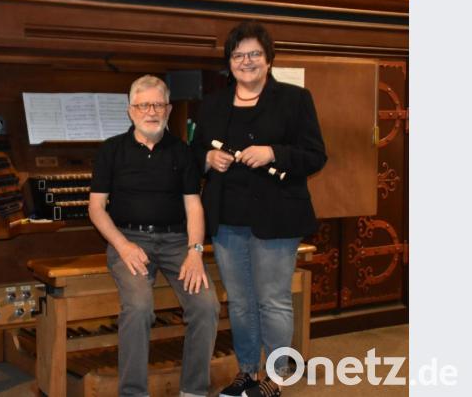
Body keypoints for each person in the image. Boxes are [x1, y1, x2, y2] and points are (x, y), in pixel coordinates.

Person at [190, 20, 327, 397]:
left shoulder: (295, 99)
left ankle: (276, 377)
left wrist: (273, 153)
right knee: (240, 302)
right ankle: (247, 372)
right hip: (227, 217)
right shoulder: (213, 103)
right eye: (238, 55)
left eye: (254, 54)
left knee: (273, 301)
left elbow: (315, 156)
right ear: (229, 61)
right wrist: (208, 159)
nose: (246, 61)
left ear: (268, 59)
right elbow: (194, 152)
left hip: (277, 217)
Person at [89, 75, 220, 397]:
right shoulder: (111, 150)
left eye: (158, 105)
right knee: (138, 307)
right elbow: (96, 208)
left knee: (206, 306)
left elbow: (193, 206)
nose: (151, 111)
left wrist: (195, 251)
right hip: (129, 240)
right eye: (144, 105)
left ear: (169, 109)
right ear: (130, 110)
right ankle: (133, 392)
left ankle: (194, 390)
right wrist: (123, 246)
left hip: (177, 242)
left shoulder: (182, 151)